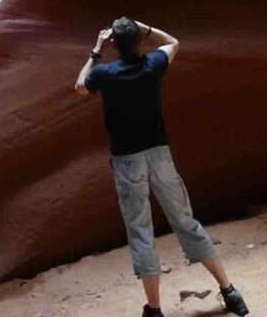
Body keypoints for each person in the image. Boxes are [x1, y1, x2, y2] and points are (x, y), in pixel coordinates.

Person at [74, 17, 249, 317]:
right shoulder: (153, 64)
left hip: (128, 162)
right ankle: (229, 292)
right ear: (139, 41)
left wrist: (96, 50)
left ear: (114, 44)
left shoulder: (105, 73)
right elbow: (173, 43)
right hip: (159, 155)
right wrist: (146, 28)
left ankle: (154, 310)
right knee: (185, 221)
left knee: (141, 232)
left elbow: (79, 87)